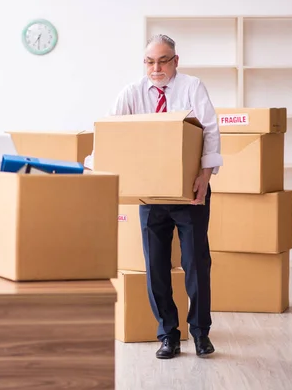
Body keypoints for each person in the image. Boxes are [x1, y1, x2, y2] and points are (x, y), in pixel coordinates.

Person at [86, 34, 222, 359]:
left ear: (176, 60)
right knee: (156, 267)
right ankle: (168, 335)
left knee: (195, 263)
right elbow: (110, 134)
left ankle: (201, 334)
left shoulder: (192, 87)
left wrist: (205, 177)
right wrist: (95, 171)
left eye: (163, 60)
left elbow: (211, 130)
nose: (156, 68)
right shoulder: (131, 93)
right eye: (150, 61)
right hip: (149, 196)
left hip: (189, 192)